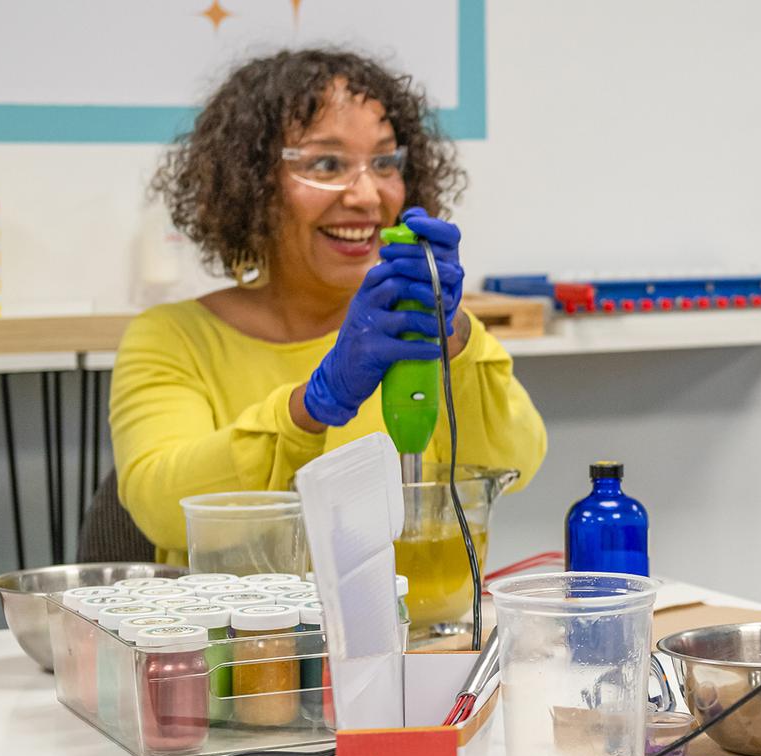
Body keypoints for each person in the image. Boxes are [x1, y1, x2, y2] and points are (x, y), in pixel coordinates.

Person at [113, 49, 547, 566]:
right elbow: (164, 508)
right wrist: (311, 407)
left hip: (433, 638)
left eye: (385, 162)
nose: (366, 195)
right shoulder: (172, 337)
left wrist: (454, 337)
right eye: (326, 164)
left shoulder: (429, 330)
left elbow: (517, 464)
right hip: (253, 645)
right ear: (250, 184)